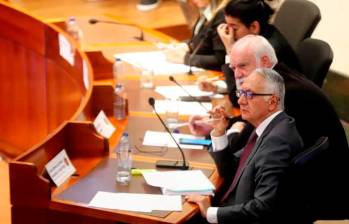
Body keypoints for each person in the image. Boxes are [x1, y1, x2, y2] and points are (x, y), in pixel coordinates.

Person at [190, 34, 349, 219]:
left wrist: (209, 213)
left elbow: (261, 204)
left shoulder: (282, 99)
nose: (237, 75)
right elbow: (238, 157)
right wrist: (220, 129)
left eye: (242, 66)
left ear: (265, 61)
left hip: (318, 191)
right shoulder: (273, 87)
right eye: (233, 68)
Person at [186, 68, 304, 223]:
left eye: (249, 94)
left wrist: (210, 212)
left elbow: (263, 206)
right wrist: (219, 132)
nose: (241, 100)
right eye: (240, 93)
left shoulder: (277, 142)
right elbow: (230, 168)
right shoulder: (271, 126)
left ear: (272, 102)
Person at [198, 0, 300, 92]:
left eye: (234, 28)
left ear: (254, 27)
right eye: (227, 25)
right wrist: (218, 87)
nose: (229, 33)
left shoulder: (267, 52)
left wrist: (230, 50)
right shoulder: (263, 36)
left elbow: (241, 96)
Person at [163, 0, 229, 70]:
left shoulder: (222, 15)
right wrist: (188, 46)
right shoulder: (207, 11)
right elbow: (203, 39)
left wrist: (185, 58)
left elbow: (221, 60)